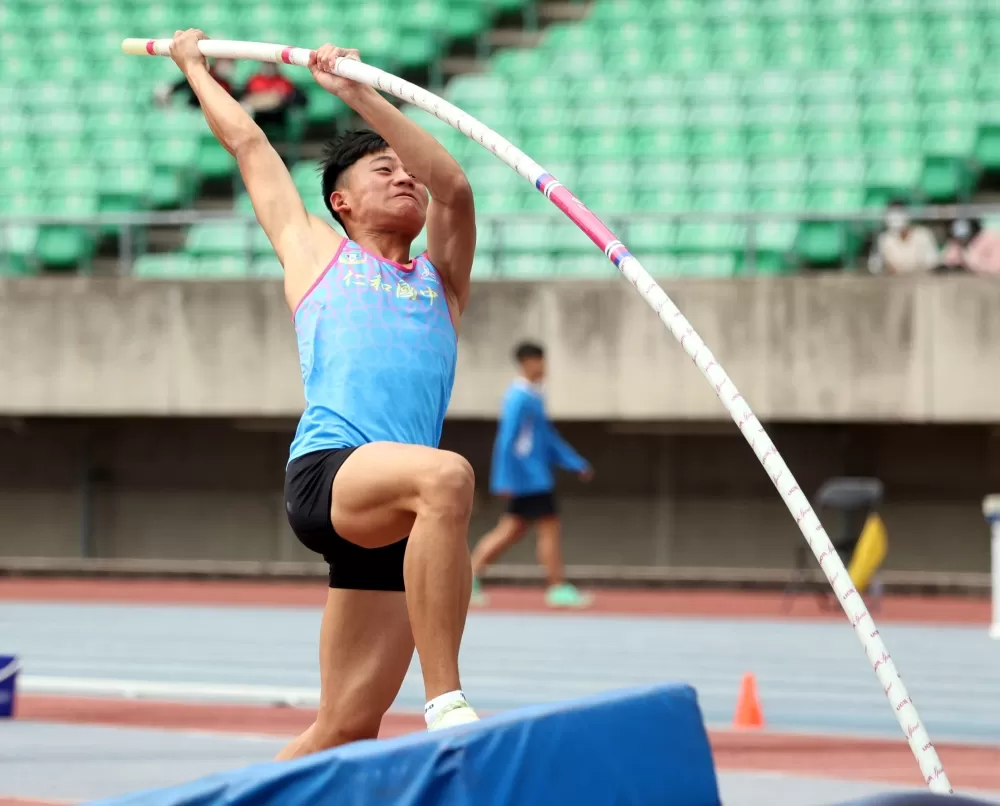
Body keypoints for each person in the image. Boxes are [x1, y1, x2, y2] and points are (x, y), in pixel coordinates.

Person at [167, 29, 481, 758]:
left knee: (343, 727)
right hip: (330, 475)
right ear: (341, 200)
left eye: (408, 171)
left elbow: (455, 189)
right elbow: (249, 146)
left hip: (400, 520)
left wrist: (358, 94)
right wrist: (194, 68)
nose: (405, 179)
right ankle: (446, 701)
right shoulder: (315, 252)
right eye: (383, 170)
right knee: (448, 476)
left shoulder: (442, 283)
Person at [469, 342, 594, 609]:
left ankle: (468, 578)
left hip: (534, 478)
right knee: (547, 527)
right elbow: (506, 439)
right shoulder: (519, 397)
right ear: (527, 362)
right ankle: (557, 586)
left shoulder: (534, 396)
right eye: (540, 360)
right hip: (529, 479)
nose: (544, 366)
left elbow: (547, 438)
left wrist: (574, 462)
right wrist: (503, 479)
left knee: (511, 530)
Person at [869, 200, 938, 274]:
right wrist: (886, 267)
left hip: (922, 279)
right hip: (894, 280)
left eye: (898, 214)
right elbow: (875, 266)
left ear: (906, 215)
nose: (895, 219)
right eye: (892, 215)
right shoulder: (884, 239)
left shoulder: (923, 234)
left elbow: (933, 262)